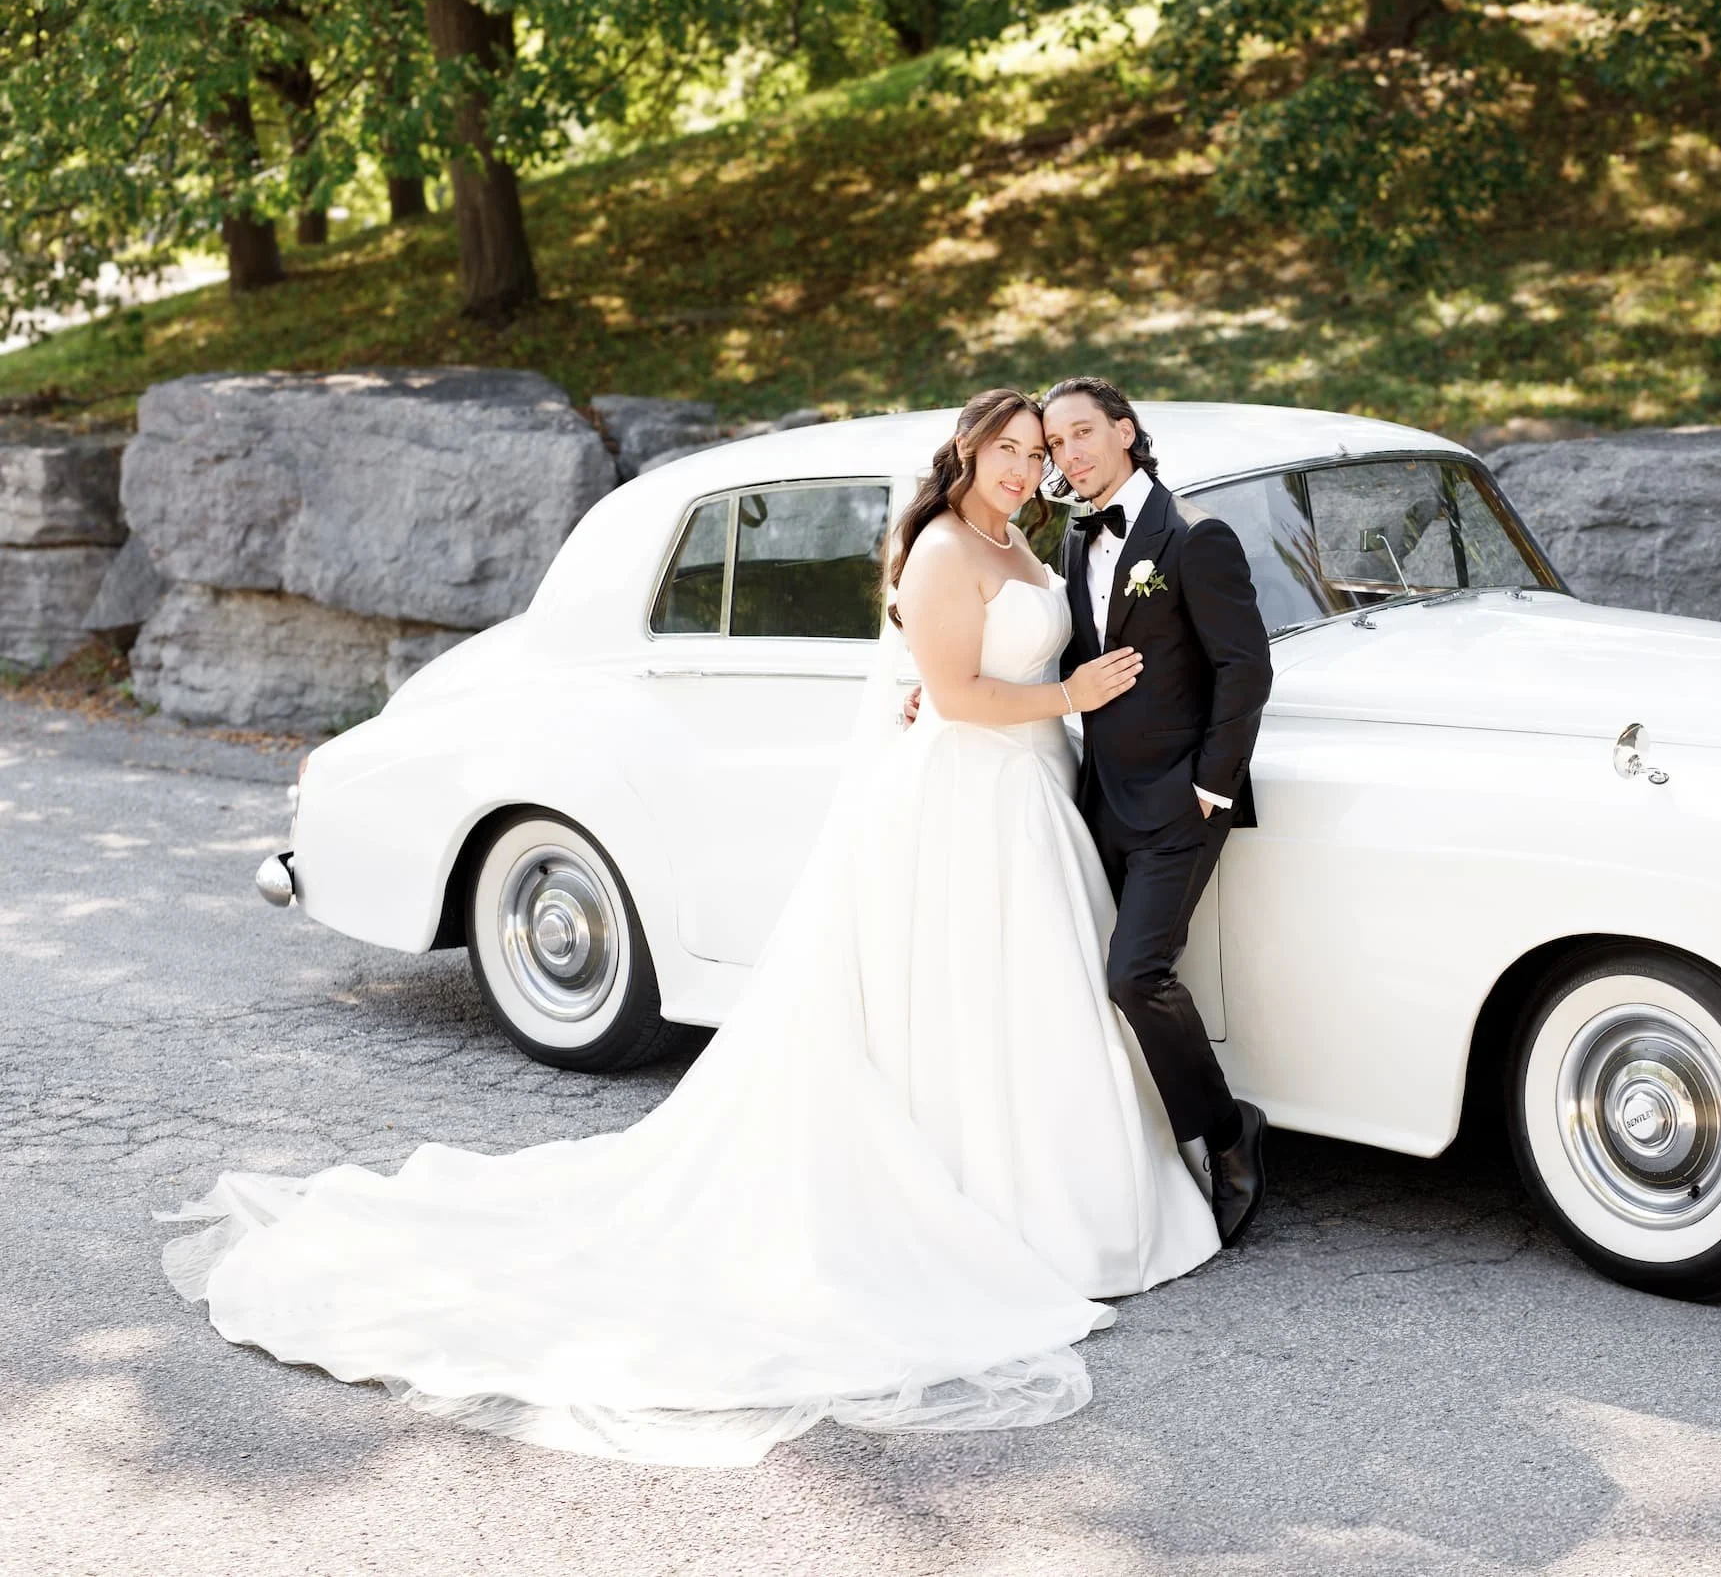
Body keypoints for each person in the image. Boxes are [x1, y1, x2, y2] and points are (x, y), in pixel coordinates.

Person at [160, 389, 1220, 1467]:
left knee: (1016, 1002)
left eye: (1035, 451)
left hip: (1025, 798)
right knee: (966, 995)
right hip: (970, 798)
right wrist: (1072, 694)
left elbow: (963, 674)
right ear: (967, 452)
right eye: (1007, 447)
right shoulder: (948, 549)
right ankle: (1003, 1211)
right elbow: (953, 696)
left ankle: (1053, 1194)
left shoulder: (1027, 543)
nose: (1023, 465)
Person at [1042, 377, 1275, 1247]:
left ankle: (1227, 1133)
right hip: (1099, 797)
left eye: (1082, 433)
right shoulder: (1075, 543)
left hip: (1181, 803)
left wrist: (1211, 785)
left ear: (1127, 432)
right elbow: (1059, 657)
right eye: (1057, 444)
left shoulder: (1193, 538)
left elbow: (1244, 669)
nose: (1070, 454)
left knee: (1135, 975)